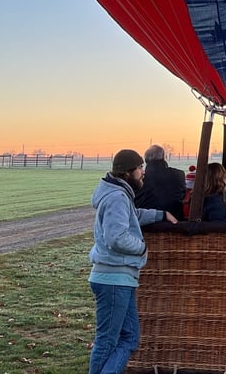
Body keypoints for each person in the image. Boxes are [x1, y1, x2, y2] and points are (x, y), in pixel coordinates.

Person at [89, 149, 177, 374]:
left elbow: (133, 216)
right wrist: (142, 247)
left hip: (120, 277)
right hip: (113, 277)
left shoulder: (119, 195)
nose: (143, 172)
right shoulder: (117, 197)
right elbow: (116, 237)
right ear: (128, 172)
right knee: (108, 340)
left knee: (129, 337)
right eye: (139, 168)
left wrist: (160, 214)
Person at [134, 144, 185, 219]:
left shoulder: (139, 178)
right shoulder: (179, 174)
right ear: (164, 158)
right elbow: (182, 194)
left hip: (146, 221)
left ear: (146, 159)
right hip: (175, 219)